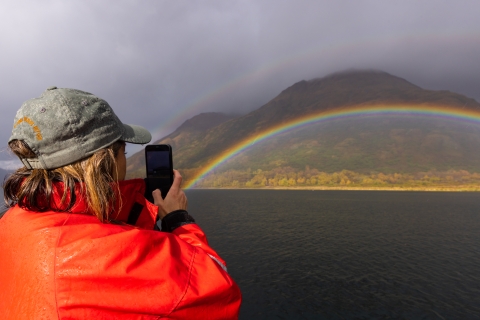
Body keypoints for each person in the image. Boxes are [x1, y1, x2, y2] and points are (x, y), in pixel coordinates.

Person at [0, 87, 241, 319]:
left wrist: (130, 210)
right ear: (104, 161)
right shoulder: (113, 255)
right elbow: (219, 293)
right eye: (123, 153)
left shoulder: (10, 223)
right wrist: (178, 218)